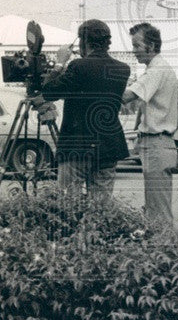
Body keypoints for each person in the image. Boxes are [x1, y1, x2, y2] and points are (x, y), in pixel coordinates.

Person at [32, 19, 130, 201]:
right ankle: (98, 229)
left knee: (69, 204)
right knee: (101, 206)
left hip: (77, 145)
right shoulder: (122, 69)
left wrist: (60, 63)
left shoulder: (78, 66)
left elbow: (49, 91)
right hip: (108, 145)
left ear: (84, 41)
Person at [122, 22, 178, 221]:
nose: (134, 51)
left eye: (136, 46)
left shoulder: (155, 71)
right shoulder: (164, 68)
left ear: (150, 46)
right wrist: (169, 130)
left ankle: (165, 249)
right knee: (157, 206)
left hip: (156, 144)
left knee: (157, 211)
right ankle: (163, 247)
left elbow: (126, 97)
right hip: (161, 143)